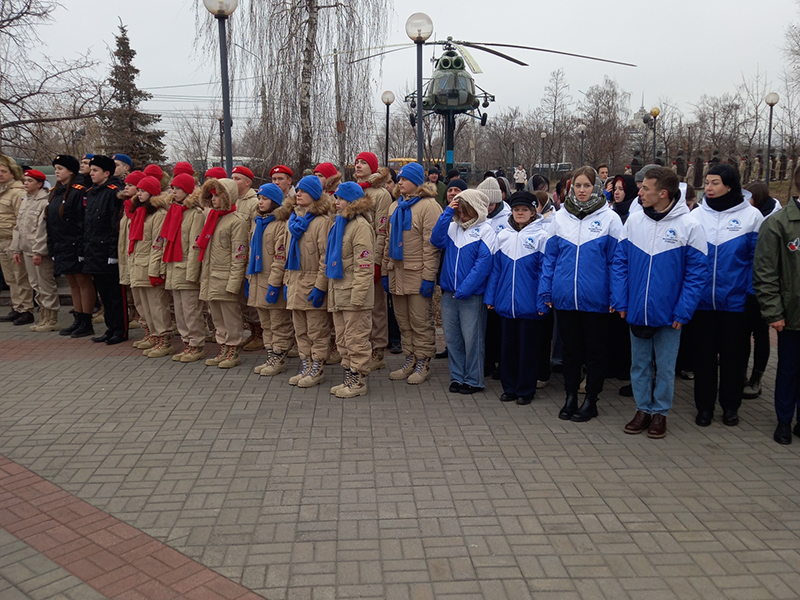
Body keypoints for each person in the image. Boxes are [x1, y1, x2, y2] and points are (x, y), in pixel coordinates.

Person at [612, 167, 708, 439]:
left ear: (663, 193)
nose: (638, 192)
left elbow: (696, 274)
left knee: (665, 366)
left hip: (671, 313)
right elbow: (620, 262)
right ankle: (642, 408)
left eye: (645, 189)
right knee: (639, 364)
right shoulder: (634, 221)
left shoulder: (690, 226)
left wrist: (684, 309)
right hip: (637, 309)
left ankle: (660, 413)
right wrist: (621, 299)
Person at [538, 166, 622, 423]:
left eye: (587, 186)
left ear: (596, 187)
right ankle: (571, 396)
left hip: (596, 298)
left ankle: (591, 399)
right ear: (570, 188)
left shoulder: (610, 219)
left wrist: (616, 296)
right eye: (577, 186)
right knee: (571, 352)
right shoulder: (560, 218)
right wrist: (546, 290)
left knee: (595, 352)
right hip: (565, 297)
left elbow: (617, 263)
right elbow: (549, 259)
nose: (582, 191)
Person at [691, 164, 763, 428]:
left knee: (735, 357)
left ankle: (730, 406)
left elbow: (758, 261)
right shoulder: (697, 215)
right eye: (707, 182)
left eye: (715, 183)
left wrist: (750, 296)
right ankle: (704, 407)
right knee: (704, 357)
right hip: (702, 303)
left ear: (730, 185)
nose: (708, 188)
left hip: (736, 303)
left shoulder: (752, 216)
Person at [382, 162, 442, 384]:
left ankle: (423, 361)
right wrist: (386, 271)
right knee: (403, 321)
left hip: (417, 274)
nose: (400, 182)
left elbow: (431, 246)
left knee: (419, 321)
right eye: (399, 179)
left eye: (404, 179)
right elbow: (388, 242)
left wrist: (428, 278)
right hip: (397, 273)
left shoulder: (429, 206)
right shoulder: (395, 206)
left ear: (416, 181)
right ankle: (409, 359)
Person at [485, 191, 548, 403]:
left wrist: (542, 300)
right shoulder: (503, 235)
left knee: (527, 350)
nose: (520, 213)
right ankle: (509, 387)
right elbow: (496, 271)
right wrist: (491, 297)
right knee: (508, 348)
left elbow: (544, 272)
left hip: (529, 304)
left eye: (525, 210)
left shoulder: (541, 236)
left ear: (533, 213)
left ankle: (525, 390)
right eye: (516, 210)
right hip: (506, 302)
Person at [431, 188, 495, 393]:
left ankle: (474, 379)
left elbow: (483, 263)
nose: (463, 215)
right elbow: (436, 239)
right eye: (460, 211)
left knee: (472, 338)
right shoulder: (452, 227)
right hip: (450, 294)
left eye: (467, 211)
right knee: (453, 338)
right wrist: (447, 212)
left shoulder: (487, 230)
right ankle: (457, 377)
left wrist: (466, 288)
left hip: (471, 295)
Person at [754, 166, 800, 444]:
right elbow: (765, 272)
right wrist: (773, 312)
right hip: (791, 314)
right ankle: (784, 419)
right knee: (788, 369)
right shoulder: (779, 224)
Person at [326, 181, 376, 397]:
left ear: (352, 201)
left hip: (354, 295)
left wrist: (358, 297)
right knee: (343, 339)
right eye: (336, 198)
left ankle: (358, 380)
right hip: (339, 292)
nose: (336, 202)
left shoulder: (360, 227)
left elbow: (364, 266)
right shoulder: (340, 224)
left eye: (341, 199)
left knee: (357, 339)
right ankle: (349, 376)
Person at [284, 176, 333, 387]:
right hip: (295, 282)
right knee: (300, 330)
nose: (298, 194)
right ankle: (306, 364)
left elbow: (325, 257)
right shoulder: (293, 220)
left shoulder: (322, 222)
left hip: (312, 282)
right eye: (298, 191)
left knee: (317, 330)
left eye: (303, 191)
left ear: (314, 195)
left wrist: (320, 286)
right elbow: (285, 255)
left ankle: (317, 367)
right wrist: (287, 282)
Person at [198, 177, 249, 368]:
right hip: (212, 277)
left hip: (226, 277)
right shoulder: (213, 218)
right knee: (217, 315)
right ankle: (223, 347)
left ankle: (233, 349)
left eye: (218, 196)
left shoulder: (236, 222)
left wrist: (234, 283)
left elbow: (239, 254)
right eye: (211, 196)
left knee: (230, 316)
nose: (213, 200)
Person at [248, 183, 296, 376]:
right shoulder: (257, 222)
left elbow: (280, 257)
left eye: (265, 199)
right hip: (257, 280)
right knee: (266, 323)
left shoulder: (280, 225)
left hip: (271, 281)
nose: (260, 202)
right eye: (259, 198)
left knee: (278, 323)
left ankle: (279, 355)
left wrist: (274, 284)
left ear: (275, 201)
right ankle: (270, 353)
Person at [47, 155, 95, 337]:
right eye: (56, 168)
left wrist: (82, 247)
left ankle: (86, 320)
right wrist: (52, 246)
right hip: (61, 244)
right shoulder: (57, 191)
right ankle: (78, 317)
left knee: (83, 282)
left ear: (71, 171)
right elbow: (50, 221)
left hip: (75, 244)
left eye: (60, 168)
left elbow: (83, 221)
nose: (57, 172)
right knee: (73, 283)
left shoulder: (79, 190)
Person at [353, 152, 392, 373]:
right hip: (354, 260)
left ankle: (378, 350)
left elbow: (382, 230)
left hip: (371, 258)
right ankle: (362, 347)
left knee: (376, 307)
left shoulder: (380, 194)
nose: (359, 165)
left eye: (364, 163)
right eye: (357, 162)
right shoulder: (354, 190)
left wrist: (377, 261)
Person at [162, 172, 206, 363]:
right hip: (174, 267)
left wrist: (192, 272)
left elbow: (194, 246)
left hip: (186, 269)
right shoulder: (174, 211)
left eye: (178, 188)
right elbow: (167, 242)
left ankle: (196, 344)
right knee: (179, 311)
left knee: (190, 310)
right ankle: (187, 342)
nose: (174, 191)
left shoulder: (195, 214)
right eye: (173, 187)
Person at [83, 155, 127, 344]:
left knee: (116, 295)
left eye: (95, 170)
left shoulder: (113, 192)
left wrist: (112, 253)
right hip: (94, 250)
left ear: (106, 173)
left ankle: (121, 329)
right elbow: (89, 224)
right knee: (105, 295)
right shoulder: (92, 192)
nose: (91, 173)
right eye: (91, 170)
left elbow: (114, 225)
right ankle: (110, 328)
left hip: (108, 250)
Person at [742, 182, 780, 398]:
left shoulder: (772, 219)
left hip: (763, 289)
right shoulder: (749, 216)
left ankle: (757, 377)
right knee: (742, 335)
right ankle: (742, 375)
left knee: (761, 334)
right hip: (744, 288)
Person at [128, 175, 172, 357]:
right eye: (138, 190)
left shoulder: (158, 215)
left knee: (157, 305)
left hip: (149, 266)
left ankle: (164, 338)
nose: (139, 194)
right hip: (137, 264)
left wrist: (155, 270)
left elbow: (158, 244)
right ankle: (153, 335)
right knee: (144, 305)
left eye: (143, 190)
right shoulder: (140, 213)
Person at [10, 169, 60, 331]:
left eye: (30, 181)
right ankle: (43, 316)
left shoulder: (44, 201)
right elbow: (19, 227)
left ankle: (51, 317)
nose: (26, 183)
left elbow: (42, 229)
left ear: (39, 184)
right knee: (35, 284)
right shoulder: (26, 200)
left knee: (45, 283)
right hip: (26, 249)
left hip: (38, 251)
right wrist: (16, 249)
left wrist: (39, 251)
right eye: (25, 180)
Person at [476, 176, 509, 380]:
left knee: (499, 324)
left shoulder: (507, 217)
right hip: (483, 276)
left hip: (500, 276)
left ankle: (500, 362)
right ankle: (487, 361)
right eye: (484, 203)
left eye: (491, 203)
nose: (488, 207)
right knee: (485, 324)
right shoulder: (478, 214)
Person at [0, 155, 35, 325]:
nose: (0, 174)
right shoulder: (2, 190)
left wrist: (17, 245)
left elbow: (20, 220)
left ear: (13, 172)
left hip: (13, 240)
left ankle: (26, 309)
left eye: (3, 171)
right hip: (2, 240)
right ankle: (17, 306)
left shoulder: (18, 192)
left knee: (20, 276)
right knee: (10, 278)